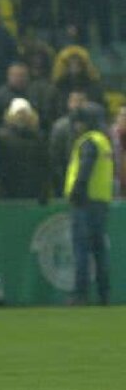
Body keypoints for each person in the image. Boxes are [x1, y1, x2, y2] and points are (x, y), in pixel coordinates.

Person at [65, 107, 112, 305]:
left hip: (85, 201)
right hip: (101, 200)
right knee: (99, 250)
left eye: (79, 121)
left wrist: (77, 191)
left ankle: (81, 294)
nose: (76, 125)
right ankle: (104, 294)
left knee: (81, 249)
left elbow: (85, 168)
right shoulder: (104, 142)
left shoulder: (88, 142)